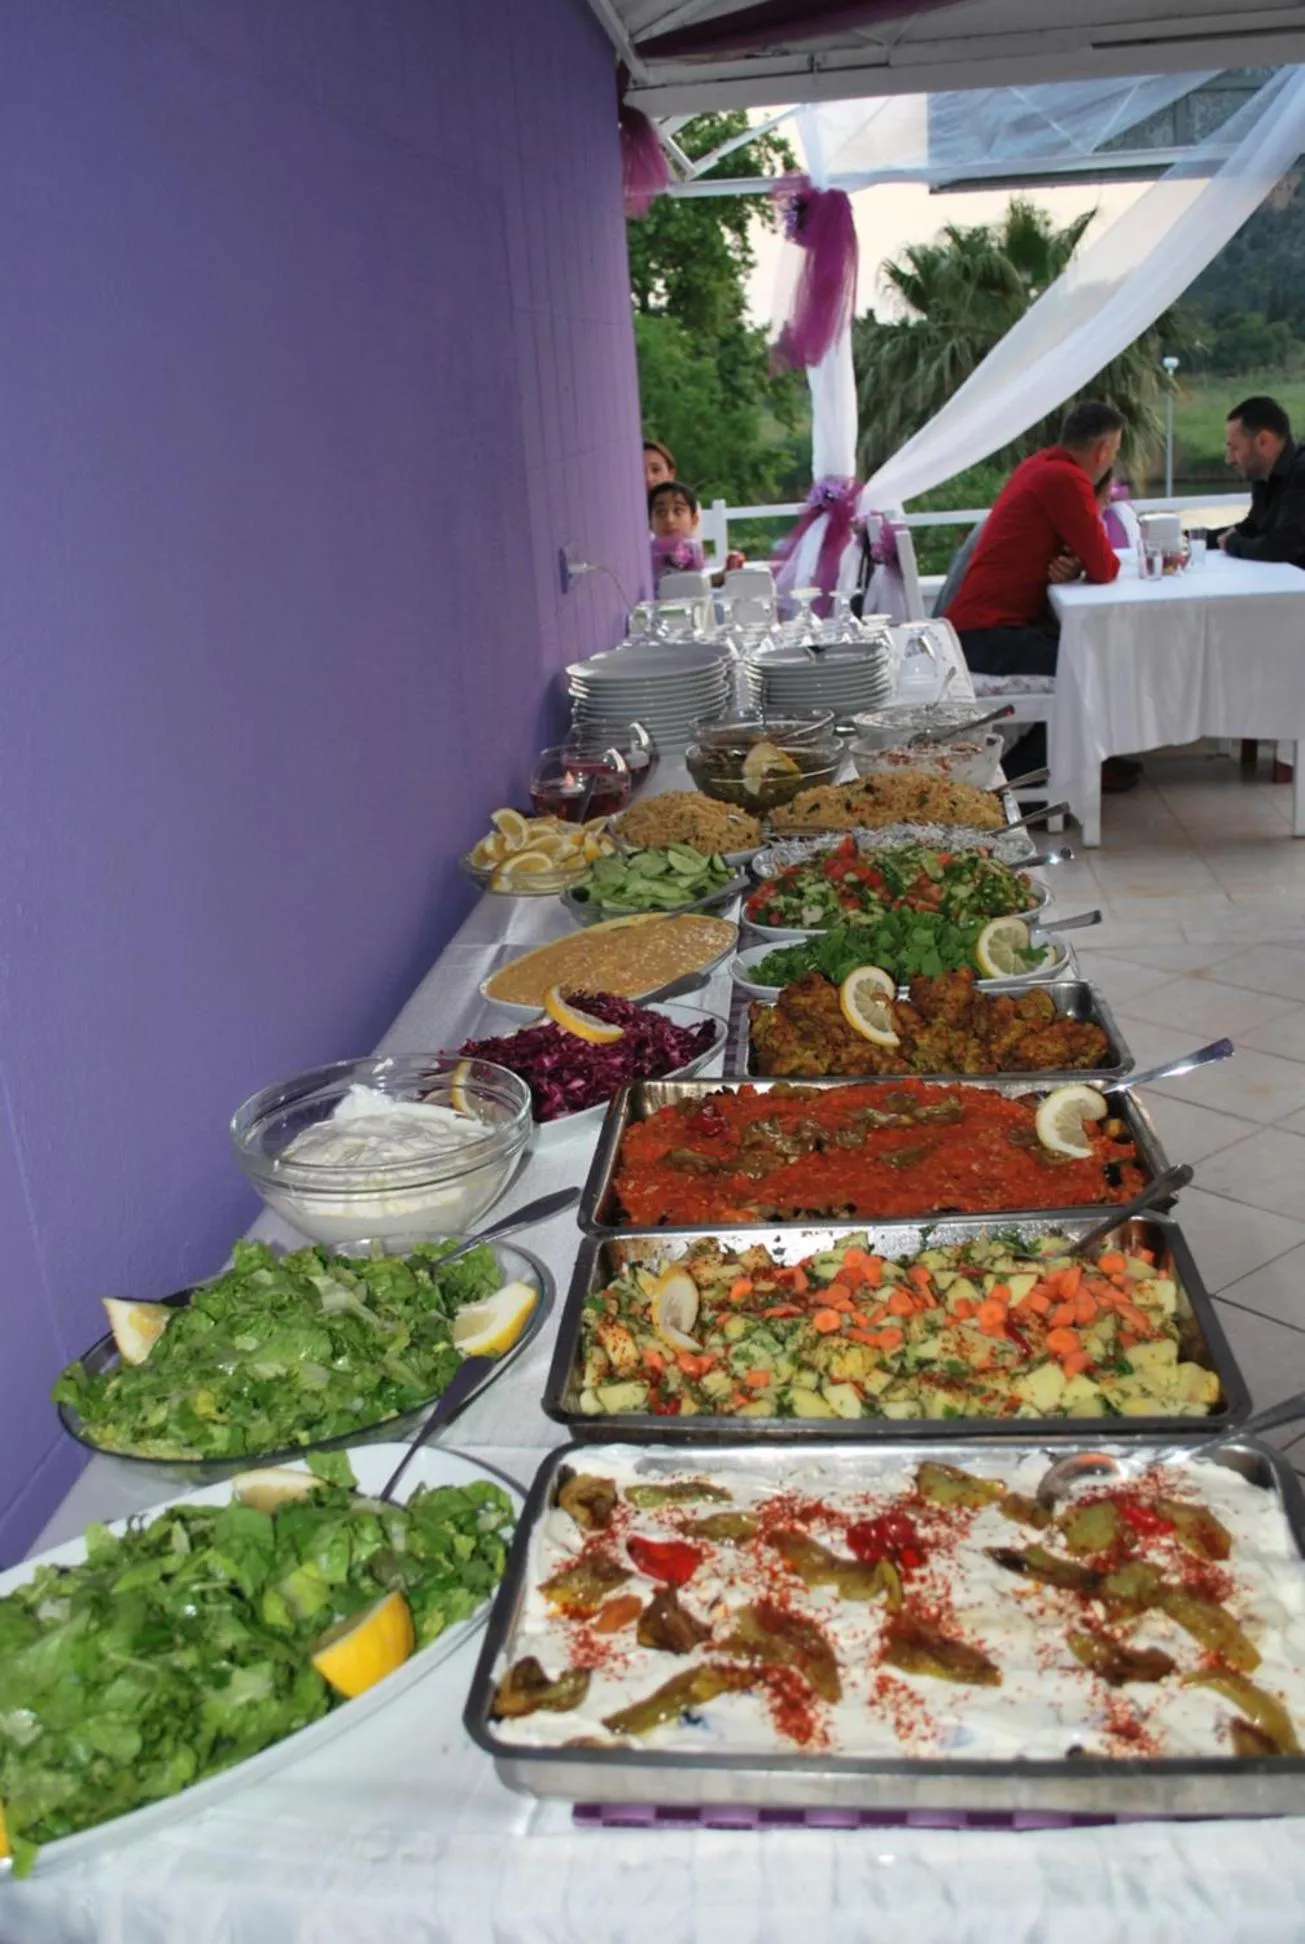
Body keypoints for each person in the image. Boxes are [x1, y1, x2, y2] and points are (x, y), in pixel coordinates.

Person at [943, 401, 1139, 789]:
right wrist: (1083, 560)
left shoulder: (1038, 465)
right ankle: (1023, 778)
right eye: (1114, 451)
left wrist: (1072, 561)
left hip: (977, 626)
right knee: (1088, 666)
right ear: (1103, 451)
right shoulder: (1066, 480)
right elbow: (1105, 566)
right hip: (986, 634)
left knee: (1088, 653)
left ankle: (1086, 764)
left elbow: (1078, 556)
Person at [1220, 397, 1305, 566]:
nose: (1228, 459)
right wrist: (1185, 538)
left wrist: (1231, 543)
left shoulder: (1302, 473)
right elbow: (1252, 530)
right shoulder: (1264, 477)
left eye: (1235, 448)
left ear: (1263, 441)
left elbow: (1283, 547)